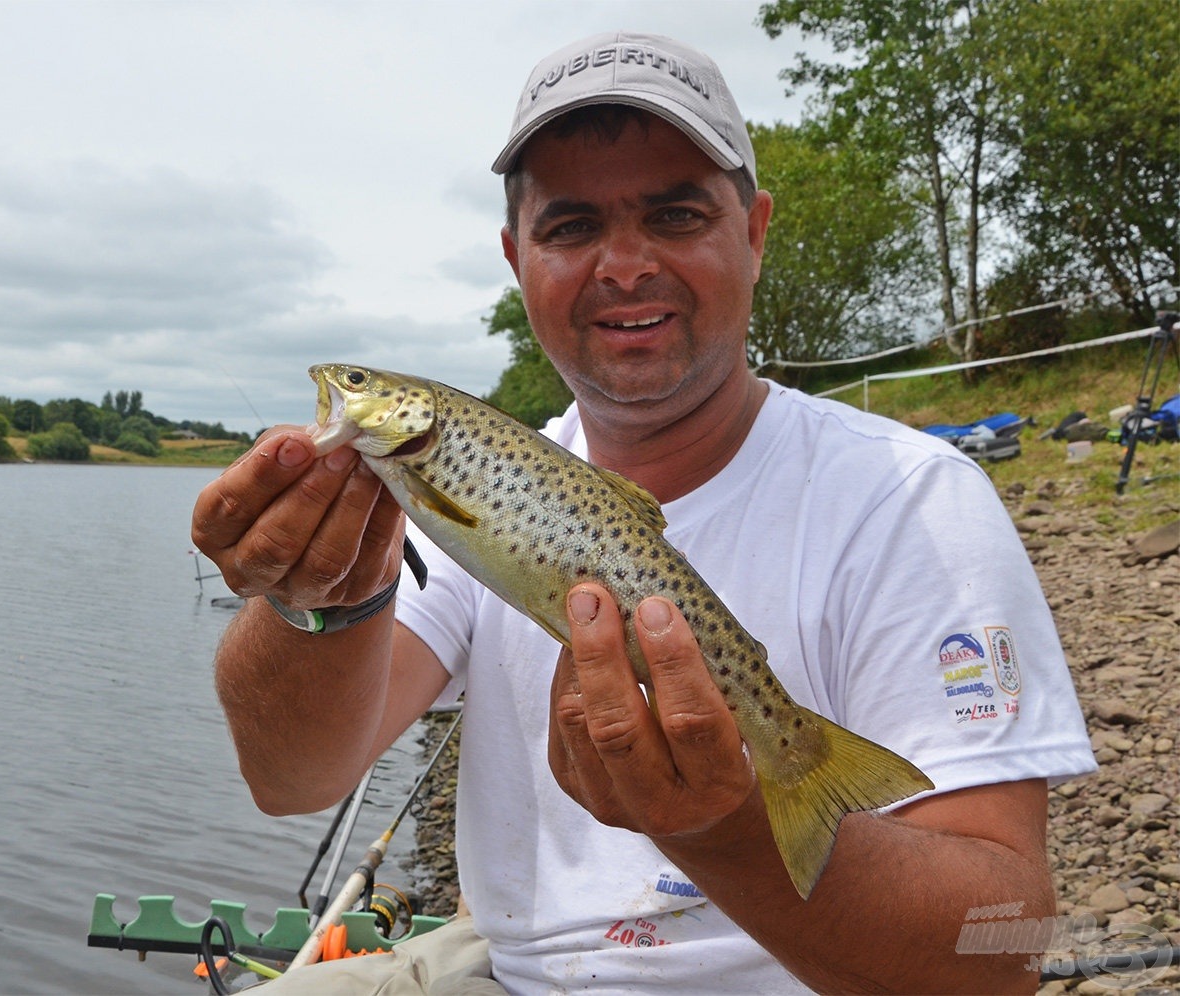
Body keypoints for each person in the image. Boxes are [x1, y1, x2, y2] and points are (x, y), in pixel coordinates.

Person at [192, 31, 1095, 994]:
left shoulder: (914, 497)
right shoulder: (457, 487)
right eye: (572, 227)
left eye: (674, 213)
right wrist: (314, 600)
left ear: (753, 233)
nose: (624, 266)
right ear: (516, 257)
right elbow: (291, 783)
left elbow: (999, 953)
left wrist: (725, 827)